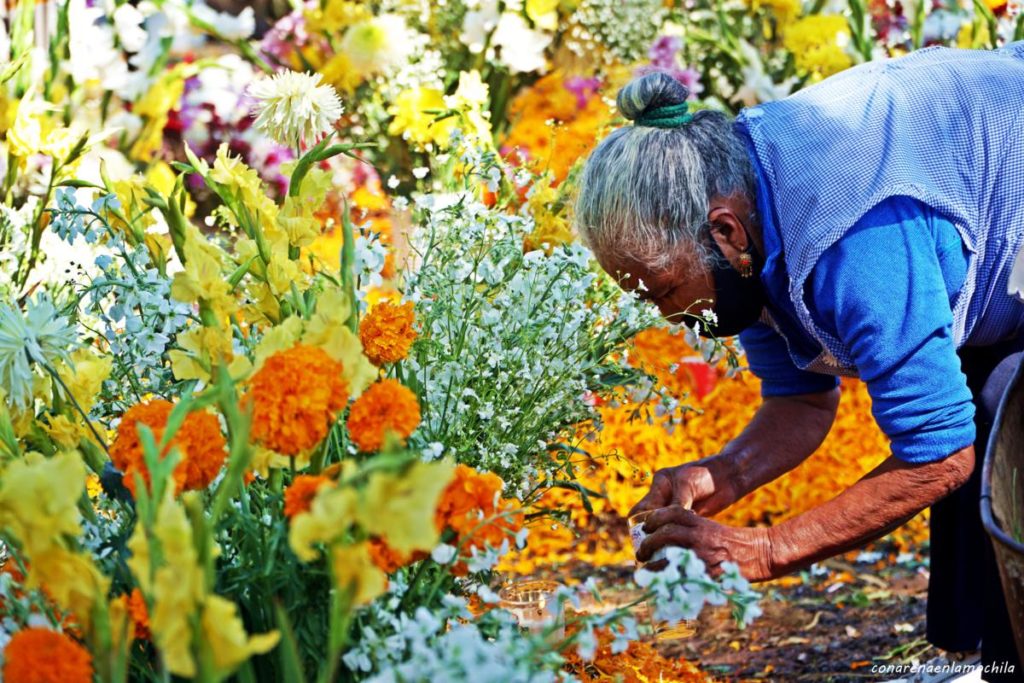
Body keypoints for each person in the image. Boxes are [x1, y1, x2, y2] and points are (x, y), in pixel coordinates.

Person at [575, 44, 1024, 679]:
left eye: (662, 290)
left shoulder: (849, 235)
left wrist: (764, 550)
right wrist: (725, 474)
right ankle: (990, 657)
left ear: (725, 233)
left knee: (1004, 404)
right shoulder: (746, 219)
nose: (659, 313)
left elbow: (940, 453)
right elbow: (801, 400)